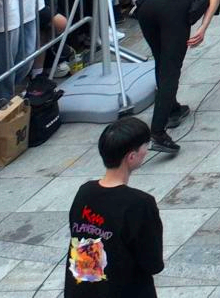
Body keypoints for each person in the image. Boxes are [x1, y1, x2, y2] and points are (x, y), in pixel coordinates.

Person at [129, 0, 220, 154]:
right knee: (171, 68)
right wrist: (202, 28)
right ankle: (157, 133)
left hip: (147, 7)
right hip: (173, 9)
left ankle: (173, 108)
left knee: (161, 60)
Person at [64, 116, 165, 297]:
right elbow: (153, 263)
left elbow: (83, 250)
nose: (147, 151)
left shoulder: (85, 192)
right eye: (145, 147)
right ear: (131, 156)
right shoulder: (140, 203)